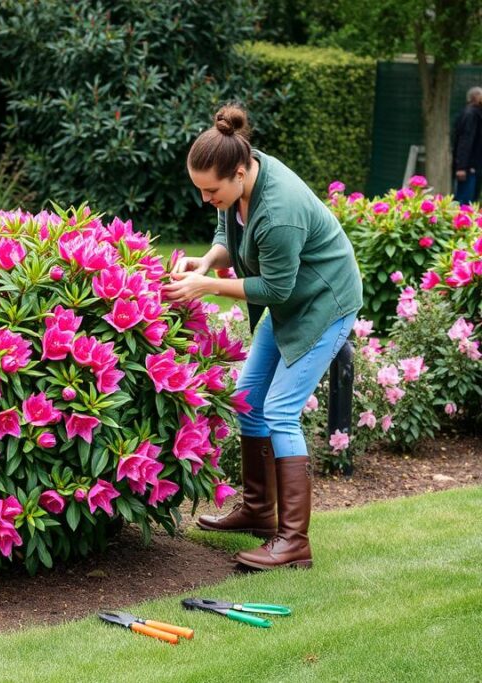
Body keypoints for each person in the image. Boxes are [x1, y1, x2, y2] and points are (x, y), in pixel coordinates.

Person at [164, 104, 363, 571]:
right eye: (200, 190)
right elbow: (226, 226)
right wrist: (209, 261)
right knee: (248, 401)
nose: (205, 198)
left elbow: (276, 287)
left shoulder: (280, 211)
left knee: (279, 411)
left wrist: (207, 285)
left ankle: (294, 542)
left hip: (324, 303)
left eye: (211, 190)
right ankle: (258, 511)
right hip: (293, 299)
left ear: (238, 172)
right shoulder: (242, 182)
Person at [452, 87, 482, 205]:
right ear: (475, 97)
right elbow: (465, 141)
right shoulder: (470, 114)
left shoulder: (476, 114)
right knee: (464, 203)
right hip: (469, 168)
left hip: (474, 167)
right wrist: (461, 167)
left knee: (471, 202)